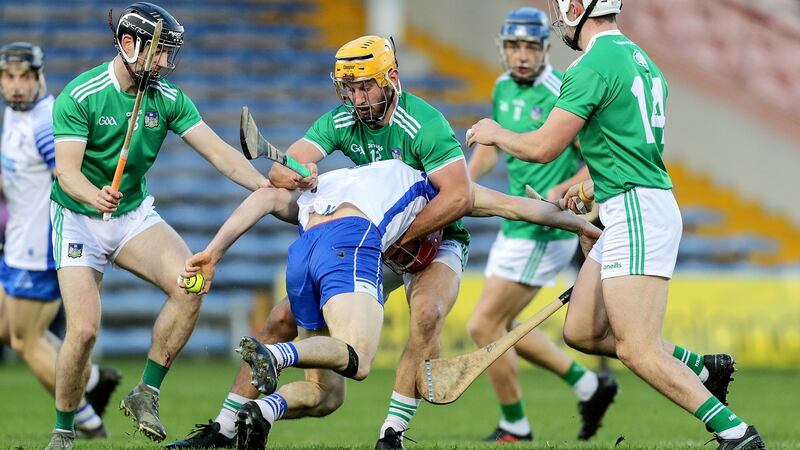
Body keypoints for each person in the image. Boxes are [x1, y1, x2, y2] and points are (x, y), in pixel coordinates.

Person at [467, 1, 764, 449]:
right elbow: (627, 144)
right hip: (627, 205)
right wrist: (592, 191)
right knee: (581, 332)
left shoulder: (589, 66)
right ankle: (701, 368)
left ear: (576, 8)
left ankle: (735, 433)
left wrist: (496, 132)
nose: (558, 15)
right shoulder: (641, 58)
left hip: (638, 211)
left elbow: (544, 147)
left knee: (635, 348)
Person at [169, 34, 473, 450]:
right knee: (282, 325)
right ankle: (223, 428)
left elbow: (460, 196)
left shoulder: (424, 124)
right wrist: (299, 172)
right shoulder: (341, 120)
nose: (358, 98)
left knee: (427, 313)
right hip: (369, 236)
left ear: (393, 79)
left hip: (430, 239)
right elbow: (281, 172)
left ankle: (392, 435)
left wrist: (395, 235)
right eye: (349, 88)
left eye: (366, 86)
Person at [178, 158, 599, 450]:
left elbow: (268, 195)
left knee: (330, 391)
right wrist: (580, 223)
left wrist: (213, 251)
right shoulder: (417, 182)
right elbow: (515, 206)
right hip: (361, 246)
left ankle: (265, 412)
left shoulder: (368, 177)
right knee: (354, 357)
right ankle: (258, 380)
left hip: (336, 250)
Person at [43, 3, 273, 449]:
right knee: (85, 330)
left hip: (130, 216)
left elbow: (220, 153)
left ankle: (146, 390)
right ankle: (63, 432)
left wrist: (264, 186)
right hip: (77, 219)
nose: (166, 63)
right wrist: (93, 194)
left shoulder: (167, 98)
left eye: (170, 52)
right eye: (159, 52)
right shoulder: (81, 95)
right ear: (128, 45)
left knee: (192, 281)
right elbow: (66, 173)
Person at [466, 8, 615, 442]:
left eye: (531, 46)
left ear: (546, 48)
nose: (522, 55)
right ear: (503, 49)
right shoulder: (502, 87)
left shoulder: (560, 87)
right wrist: (463, 182)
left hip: (546, 225)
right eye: (514, 46)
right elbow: (496, 148)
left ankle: (515, 423)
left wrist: (561, 192)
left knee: (483, 326)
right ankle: (590, 385)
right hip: (516, 221)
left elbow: (596, 163)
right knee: (501, 326)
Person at [0, 41, 123, 440]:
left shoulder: (42, 122)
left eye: (24, 77)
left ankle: (86, 423)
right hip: (17, 241)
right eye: (8, 77)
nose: (15, 85)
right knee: (7, 328)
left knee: (25, 340)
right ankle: (91, 383)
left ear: (40, 78)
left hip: (36, 247)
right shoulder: (14, 115)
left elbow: (67, 176)